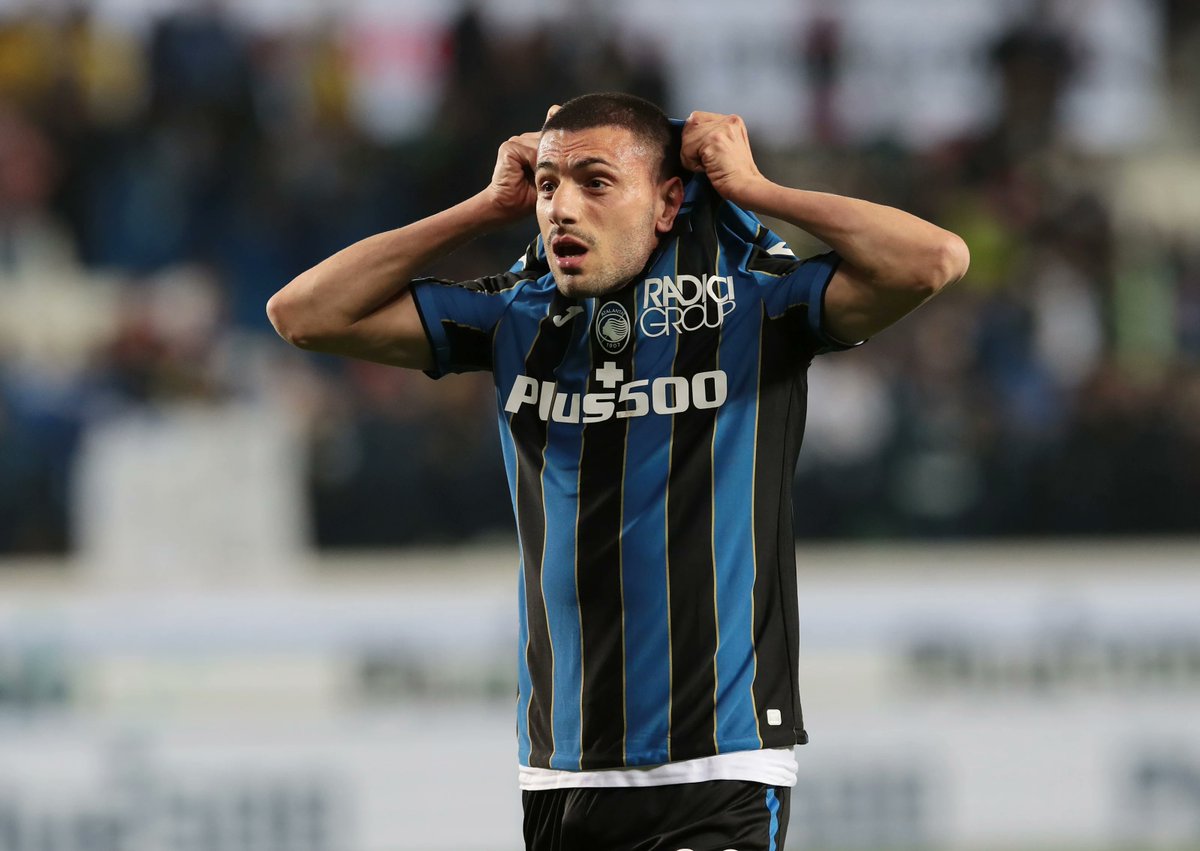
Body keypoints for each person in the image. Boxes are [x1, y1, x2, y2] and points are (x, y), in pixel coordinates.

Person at [267, 92, 969, 851]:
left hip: (716, 765)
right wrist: (482, 209)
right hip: (559, 773)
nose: (562, 209)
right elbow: (303, 314)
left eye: (596, 182)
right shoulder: (517, 314)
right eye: (547, 186)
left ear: (667, 202)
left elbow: (934, 260)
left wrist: (757, 189)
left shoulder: (753, 305)